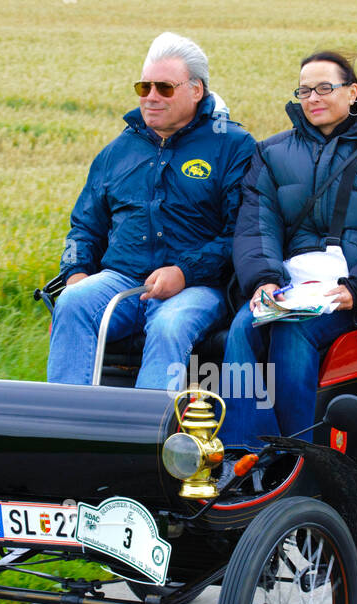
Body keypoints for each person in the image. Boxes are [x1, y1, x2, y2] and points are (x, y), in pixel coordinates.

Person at [222, 50, 357, 452]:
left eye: (325, 88)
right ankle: (247, 451)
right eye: (304, 90)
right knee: (242, 327)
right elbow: (256, 226)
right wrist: (264, 279)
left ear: (352, 91)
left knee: (293, 333)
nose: (313, 98)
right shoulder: (271, 154)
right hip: (290, 284)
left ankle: (299, 458)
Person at [47, 32, 256, 389]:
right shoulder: (117, 152)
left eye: (165, 88)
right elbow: (84, 226)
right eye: (144, 88)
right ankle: (68, 429)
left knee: (168, 324)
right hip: (123, 279)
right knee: (73, 303)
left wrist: (184, 272)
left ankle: (147, 440)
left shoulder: (234, 146)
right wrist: (77, 274)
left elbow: (241, 233)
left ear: (196, 90)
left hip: (198, 287)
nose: (152, 97)